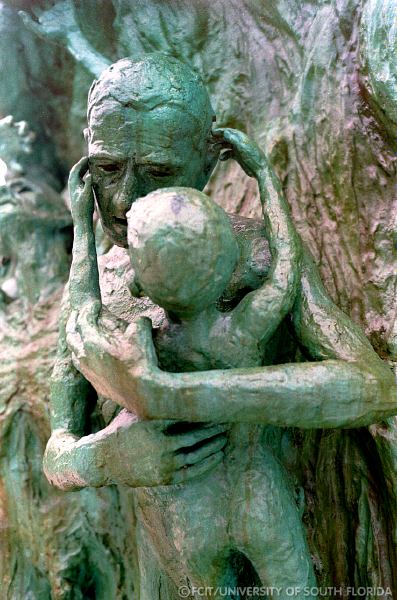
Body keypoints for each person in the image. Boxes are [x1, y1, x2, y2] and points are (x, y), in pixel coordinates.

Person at [43, 54, 397, 596]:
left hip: (264, 502)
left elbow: (373, 388)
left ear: (209, 159)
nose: (123, 198)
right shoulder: (98, 286)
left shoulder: (253, 254)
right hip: (165, 552)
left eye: (159, 171)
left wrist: (176, 395)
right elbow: (57, 452)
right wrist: (102, 458)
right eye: (107, 167)